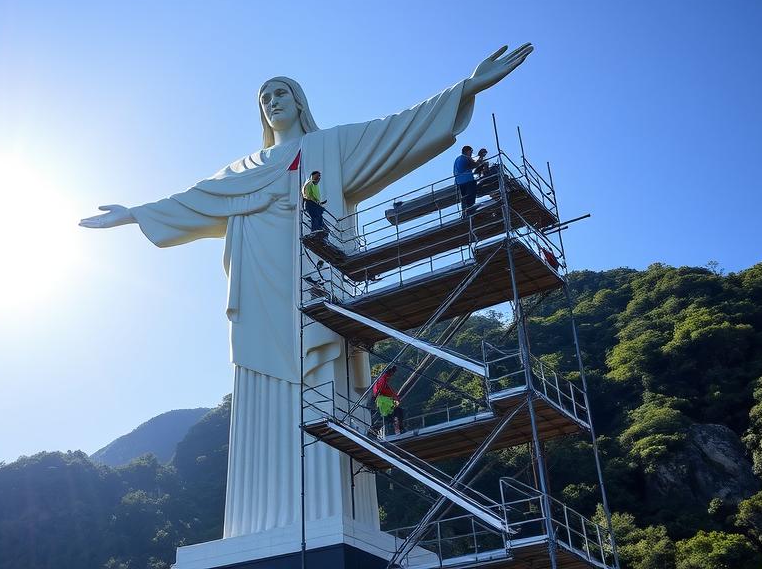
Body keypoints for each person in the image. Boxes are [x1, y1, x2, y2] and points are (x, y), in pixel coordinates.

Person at [79, 43, 533, 540]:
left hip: (313, 281)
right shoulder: (238, 173)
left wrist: (466, 86)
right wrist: (134, 213)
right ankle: (254, 530)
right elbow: (190, 201)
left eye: (281, 92)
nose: (272, 101)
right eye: (264, 97)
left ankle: (329, 518)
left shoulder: (330, 148)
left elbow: (398, 128)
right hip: (257, 294)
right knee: (260, 393)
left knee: (325, 382)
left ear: (299, 101)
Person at [453, 145, 488, 216]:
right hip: (467, 181)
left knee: (464, 198)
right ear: (468, 151)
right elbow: (473, 165)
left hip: (460, 182)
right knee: (470, 197)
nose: (471, 154)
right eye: (471, 152)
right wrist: (481, 157)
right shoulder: (464, 158)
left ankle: (465, 213)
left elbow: (469, 166)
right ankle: (470, 212)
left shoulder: (458, 159)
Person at [373, 365, 404, 436]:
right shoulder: (382, 381)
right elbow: (382, 389)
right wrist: (395, 399)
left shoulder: (383, 382)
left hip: (385, 402)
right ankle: (398, 430)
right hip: (384, 402)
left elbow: (390, 392)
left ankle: (399, 429)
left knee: (389, 417)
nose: (390, 378)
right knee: (394, 414)